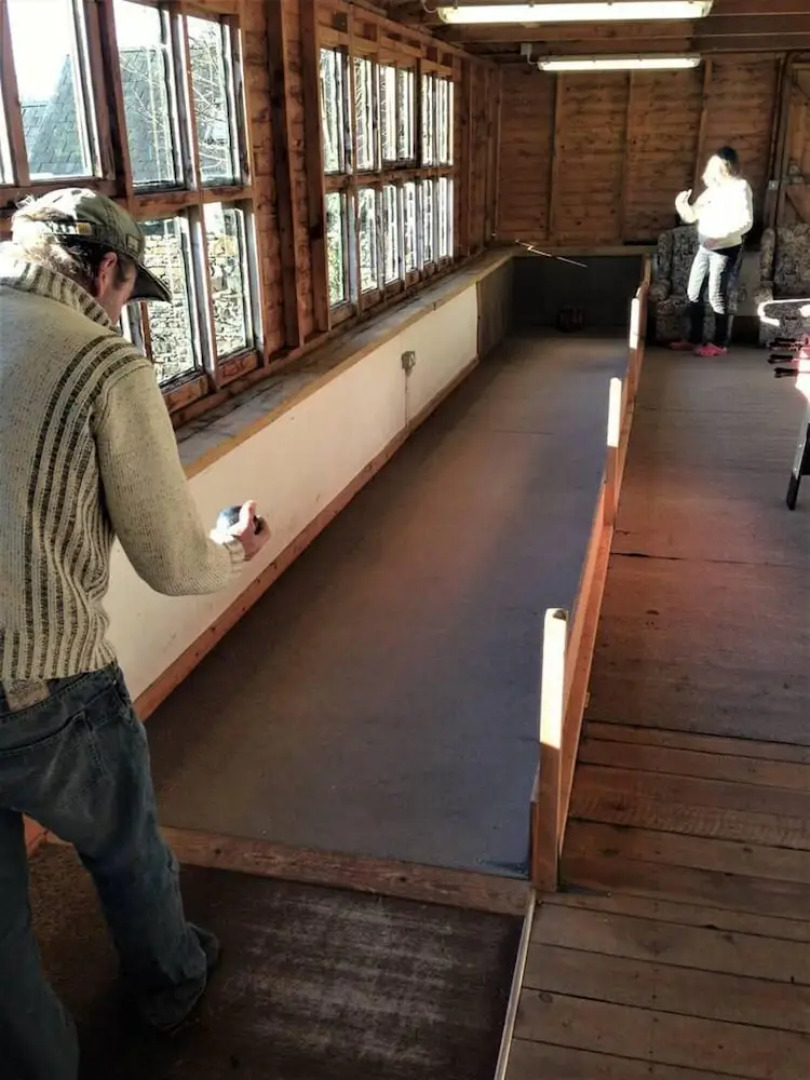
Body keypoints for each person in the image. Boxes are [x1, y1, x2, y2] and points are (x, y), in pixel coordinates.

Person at [0, 188, 270, 1079]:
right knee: (125, 844)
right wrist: (228, 549)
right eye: (127, 291)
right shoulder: (100, 366)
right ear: (107, 270)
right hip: (43, 683)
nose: (124, 310)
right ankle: (171, 981)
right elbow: (172, 562)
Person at [671, 146, 754, 357]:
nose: (711, 169)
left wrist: (721, 236)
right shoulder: (711, 191)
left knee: (717, 295)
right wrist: (681, 205)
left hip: (725, 248)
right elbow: (690, 217)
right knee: (694, 293)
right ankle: (694, 339)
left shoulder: (740, 187)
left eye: (716, 165)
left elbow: (746, 222)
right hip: (705, 247)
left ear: (726, 167)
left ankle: (719, 343)